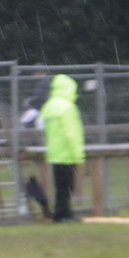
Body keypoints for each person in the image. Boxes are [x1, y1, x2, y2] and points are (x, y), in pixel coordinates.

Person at [40, 73, 86, 222]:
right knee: (67, 187)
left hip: (54, 153)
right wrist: (78, 154)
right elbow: (72, 133)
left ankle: (62, 213)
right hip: (67, 154)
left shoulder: (49, 105)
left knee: (60, 186)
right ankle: (63, 214)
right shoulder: (68, 107)